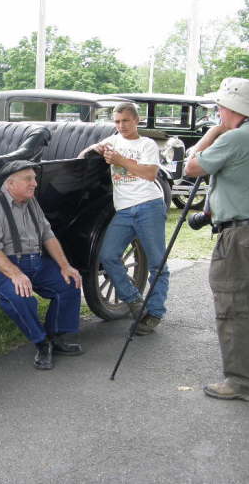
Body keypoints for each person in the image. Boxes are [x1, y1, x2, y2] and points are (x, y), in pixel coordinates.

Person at [185, 77, 249, 402]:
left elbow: (191, 166)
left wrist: (212, 134)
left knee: (234, 306)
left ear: (227, 109)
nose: (217, 113)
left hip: (240, 236)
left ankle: (243, 382)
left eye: (219, 108)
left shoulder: (237, 138)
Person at [0, 160, 83, 370]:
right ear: (10, 183)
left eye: (34, 178)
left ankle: (56, 337)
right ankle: (42, 343)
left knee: (70, 283)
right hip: (2, 264)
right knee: (19, 297)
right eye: (28, 179)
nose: (34, 183)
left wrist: (64, 266)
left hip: (35, 261)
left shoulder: (31, 202)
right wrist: (15, 274)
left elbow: (48, 235)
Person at [77, 102, 169, 335]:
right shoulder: (112, 141)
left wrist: (119, 160)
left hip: (149, 205)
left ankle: (155, 313)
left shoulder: (147, 144)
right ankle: (134, 299)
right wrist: (92, 152)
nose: (121, 126)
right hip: (124, 209)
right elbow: (84, 154)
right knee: (107, 256)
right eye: (117, 122)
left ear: (136, 121)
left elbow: (150, 174)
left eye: (125, 121)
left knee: (157, 263)